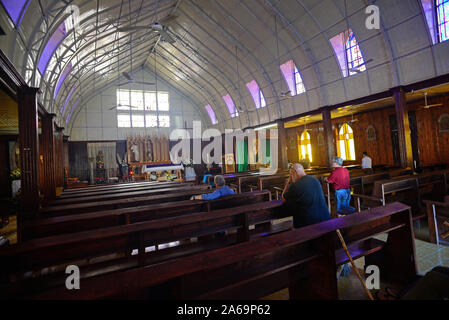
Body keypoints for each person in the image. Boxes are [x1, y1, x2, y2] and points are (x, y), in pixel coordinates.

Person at [280, 163, 330, 228]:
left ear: (294, 172)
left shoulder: (296, 185)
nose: (291, 176)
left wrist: (289, 181)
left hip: (309, 223)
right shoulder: (314, 180)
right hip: (325, 218)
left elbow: (283, 198)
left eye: (291, 174)